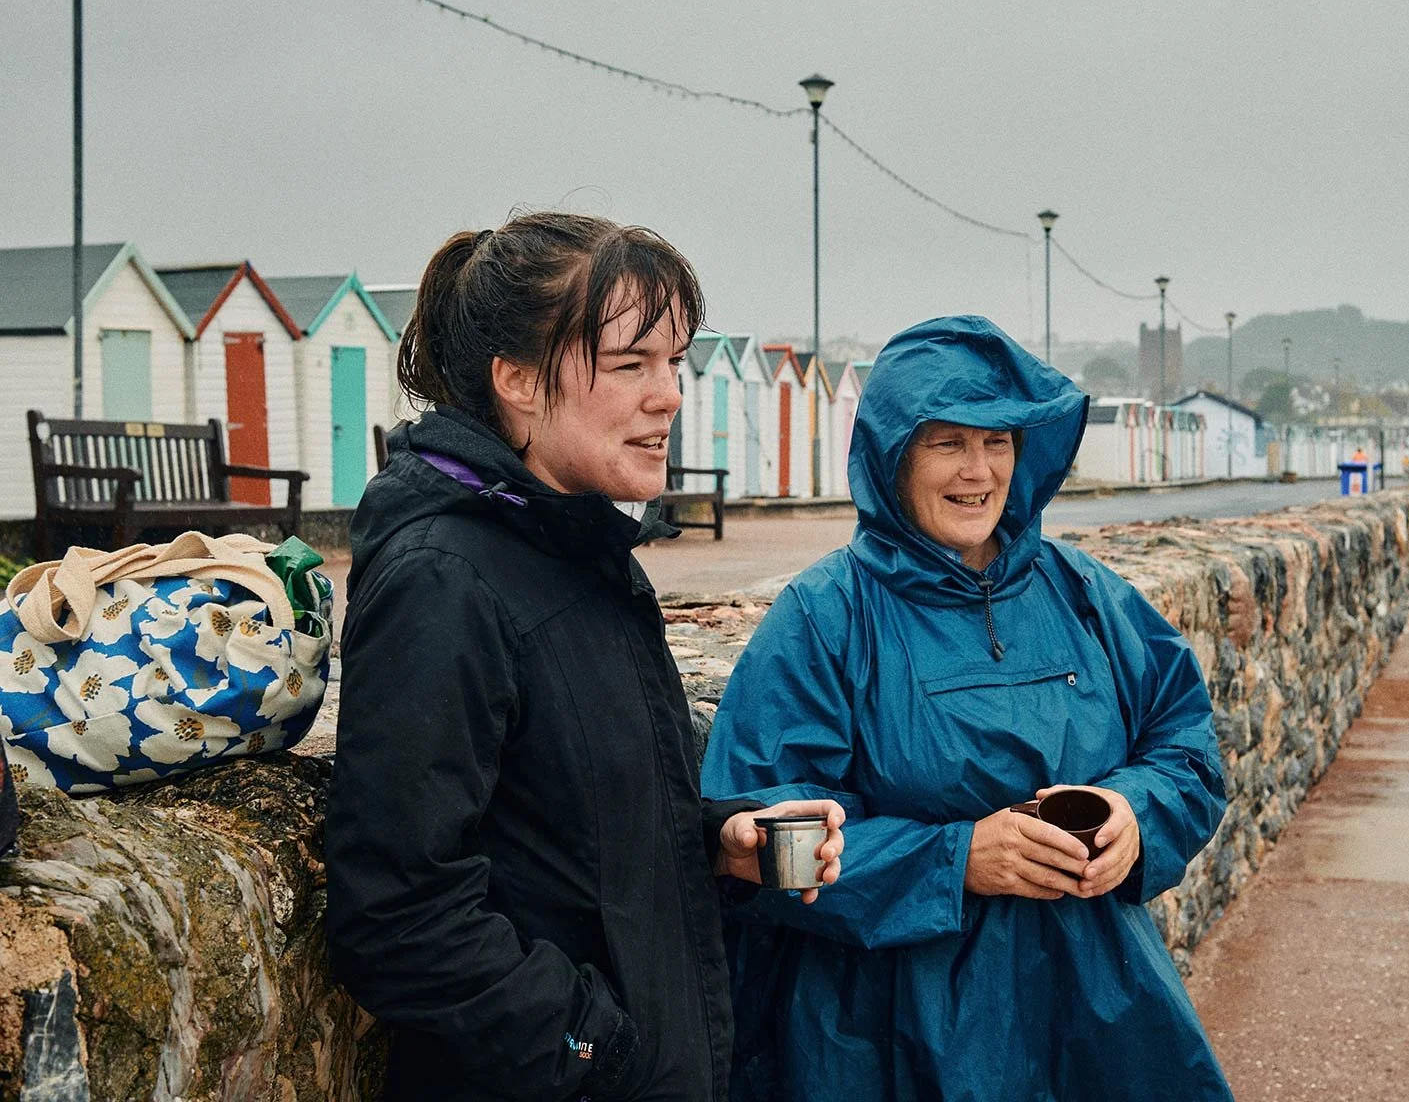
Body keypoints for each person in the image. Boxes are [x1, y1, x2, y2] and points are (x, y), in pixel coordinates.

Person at [325, 213, 843, 1102]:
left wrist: (716, 841)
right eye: (631, 364)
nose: (669, 395)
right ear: (519, 381)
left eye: (674, 362)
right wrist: (600, 1051)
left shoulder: (575, 548)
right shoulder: (443, 581)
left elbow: (563, 826)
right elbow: (399, 915)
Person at [700, 315, 1234, 1101]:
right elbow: (767, 844)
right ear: (893, 454)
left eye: (998, 441)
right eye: (947, 442)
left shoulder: (1085, 594)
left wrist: (1135, 814)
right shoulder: (826, 615)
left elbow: (1186, 744)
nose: (977, 470)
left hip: (1094, 1007)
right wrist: (956, 861)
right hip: (889, 1029)